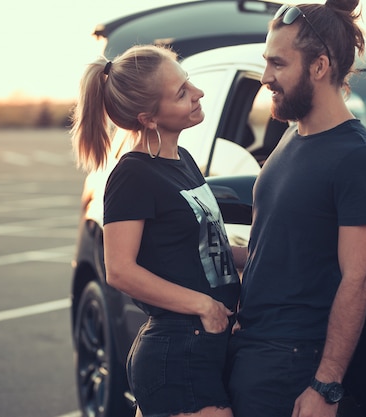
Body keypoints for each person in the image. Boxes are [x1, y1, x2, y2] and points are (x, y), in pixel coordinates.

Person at [225, 1, 366, 417]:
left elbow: (359, 278)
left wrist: (326, 385)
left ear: (319, 67)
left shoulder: (357, 158)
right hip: (253, 350)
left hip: (293, 365)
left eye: (278, 64)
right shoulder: (292, 136)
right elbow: (288, 248)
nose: (266, 78)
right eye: (266, 62)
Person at [71, 44, 241, 417]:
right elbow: (119, 270)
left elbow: (205, 248)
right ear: (149, 118)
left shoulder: (184, 161)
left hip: (204, 347)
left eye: (189, 83)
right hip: (176, 354)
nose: (197, 93)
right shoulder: (132, 175)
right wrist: (204, 305)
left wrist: (264, 249)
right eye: (181, 93)